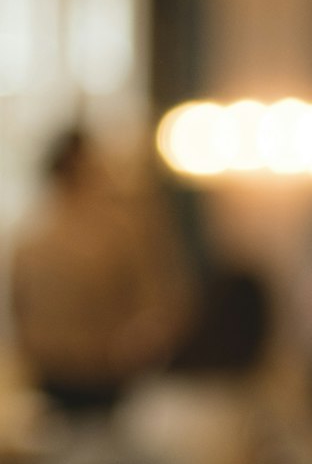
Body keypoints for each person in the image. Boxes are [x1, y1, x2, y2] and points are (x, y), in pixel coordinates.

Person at [10, 123, 183, 411]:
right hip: (56, 375)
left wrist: (137, 349)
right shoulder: (33, 241)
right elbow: (21, 313)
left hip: (107, 376)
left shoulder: (118, 234)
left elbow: (157, 305)